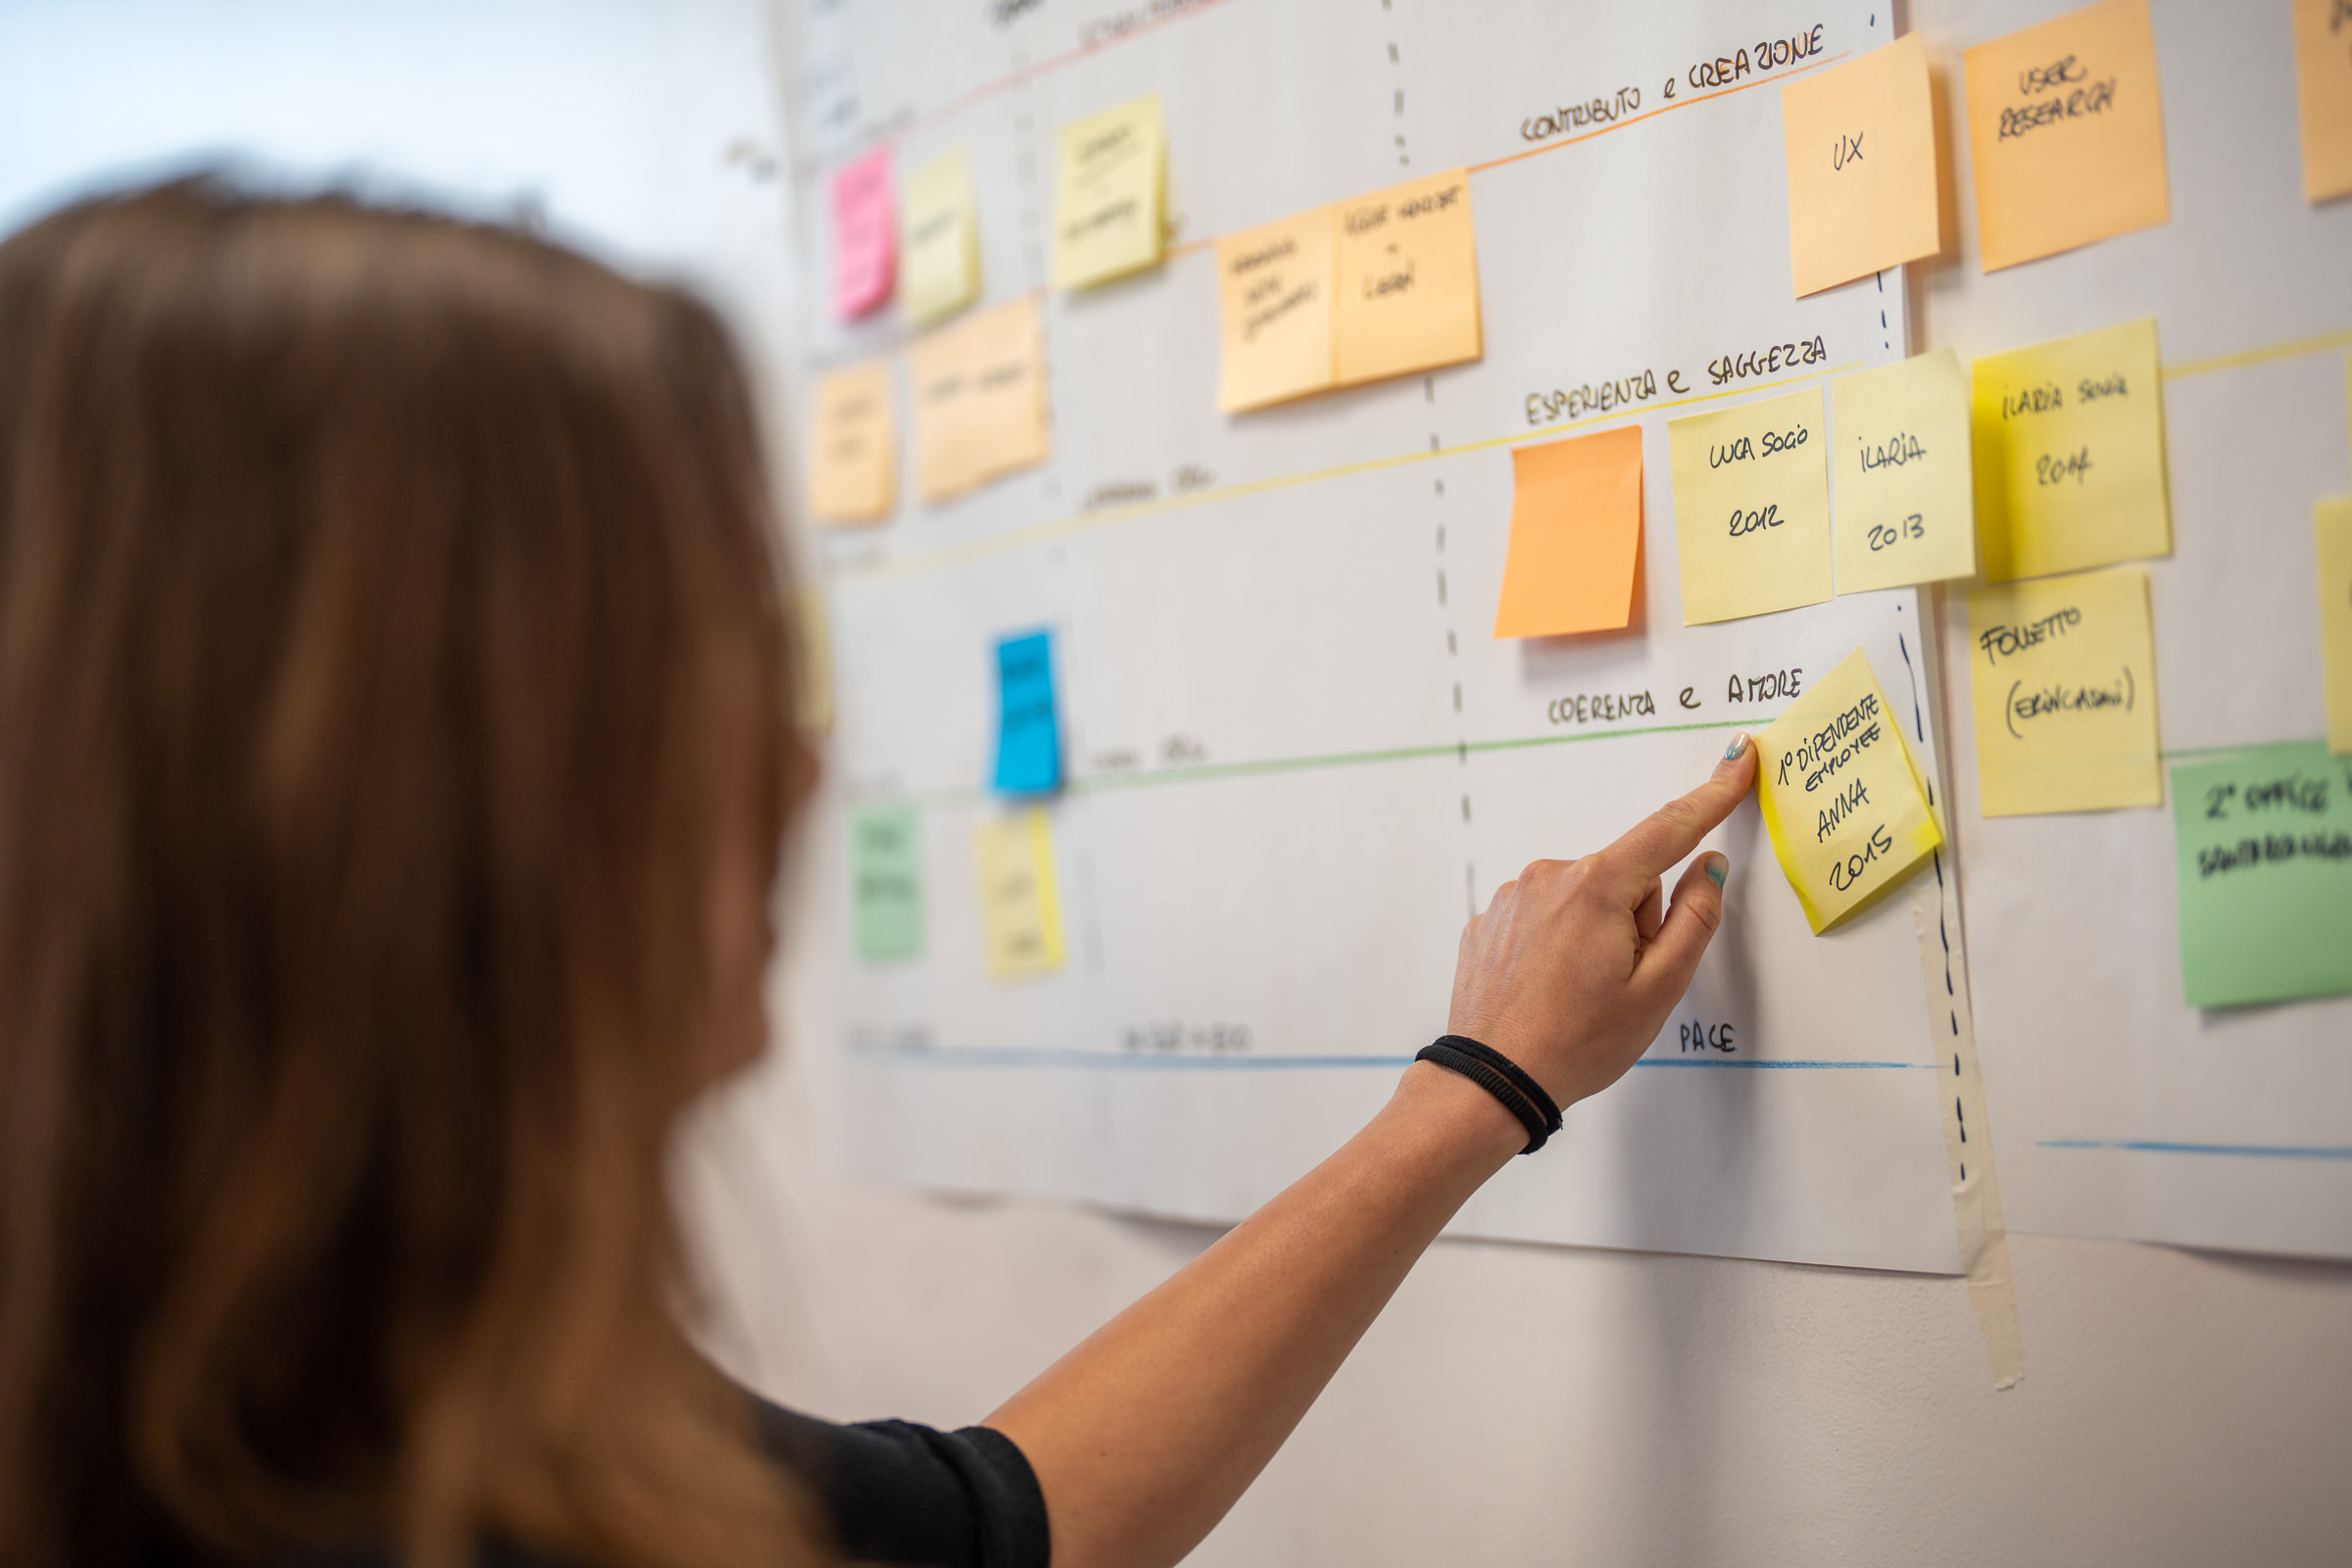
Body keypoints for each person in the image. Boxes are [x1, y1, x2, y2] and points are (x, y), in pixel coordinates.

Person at [0, 180, 1757, 1568]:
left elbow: (990, 1530)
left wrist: (1475, 1092)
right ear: (404, 819)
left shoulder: (353, 1387)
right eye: (693, 669)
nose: (799, 768)